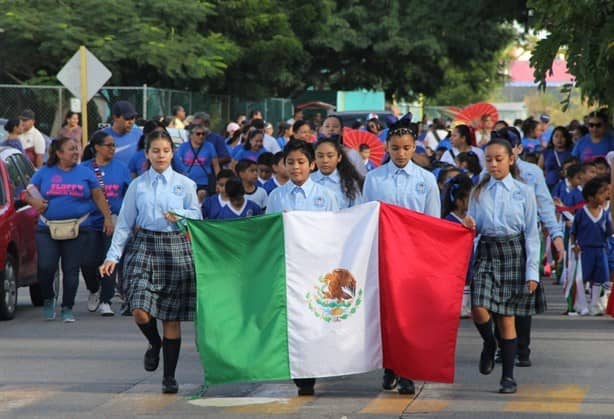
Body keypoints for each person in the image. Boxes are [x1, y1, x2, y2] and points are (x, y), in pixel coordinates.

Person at [99, 130, 201, 394]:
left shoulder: (184, 184)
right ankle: (153, 343)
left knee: (170, 317)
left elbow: (197, 217)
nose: (161, 155)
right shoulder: (138, 185)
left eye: (165, 150)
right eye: (155, 150)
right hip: (144, 245)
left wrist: (179, 215)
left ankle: (169, 377)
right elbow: (124, 224)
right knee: (139, 308)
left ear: (172, 152)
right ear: (147, 154)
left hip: (176, 247)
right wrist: (112, 257)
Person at [362, 115, 440, 395]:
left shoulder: (427, 180)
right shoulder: (373, 178)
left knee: (410, 315)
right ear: (387, 147)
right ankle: (390, 366)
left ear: (414, 146)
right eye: (395, 148)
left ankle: (408, 370)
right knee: (387, 314)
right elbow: (366, 216)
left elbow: (433, 221)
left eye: (406, 148)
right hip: (384, 253)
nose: (401, 153)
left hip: (415, 256)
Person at [463, 138, 539, 394]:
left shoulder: (523, 191)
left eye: (499, 159)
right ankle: (488, 343)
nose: (493, 164)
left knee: (507, 317)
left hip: (513, 253)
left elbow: (531, 233)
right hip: (486, 250)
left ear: (511, 159)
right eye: (489, 159)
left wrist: (532, 272)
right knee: (478, 306)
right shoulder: (478, 191)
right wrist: (469, 225)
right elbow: (472, 228)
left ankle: (508, 377)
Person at [266, 140, 338, 396]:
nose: (295, 167)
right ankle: (301, 372)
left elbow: (336, 232)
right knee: (294, 319)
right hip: (288, 267)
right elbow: (269, 231)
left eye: (301, 162)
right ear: (283, 165)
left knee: (314, 319)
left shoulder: (327, 196)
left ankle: (312, 368)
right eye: (290, 162)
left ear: (312, 165)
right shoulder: (276, 196)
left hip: (317, 269)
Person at [26, 137, 113, 322]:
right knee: (46, 267)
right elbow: (27, 192)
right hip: (47, 228)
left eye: (77, 149)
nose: (75, 152)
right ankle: (49, 298)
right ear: (58, 153)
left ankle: (67, 307)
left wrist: (107, 218)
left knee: (71, 269)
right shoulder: (45, 172)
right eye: (71, 149)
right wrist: (34, 202)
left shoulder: (86, 173)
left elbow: (98, 196)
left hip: (78, 228)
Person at [80, 131, 131, 316]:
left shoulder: (121, 168)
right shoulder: (84, 168)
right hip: (89, 221)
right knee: (87, 261)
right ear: (96, 148)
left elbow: (129, 194)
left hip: (114, 221)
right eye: (108, 145)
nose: (112, 149)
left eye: (113, 145)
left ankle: (106, 300)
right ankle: (94, 289)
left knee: (109, 259)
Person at [570, 176, 612, 316]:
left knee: (601, 278)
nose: (604, 196)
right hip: (585, 250)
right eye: (601, 193)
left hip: (601, 251)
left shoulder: (605, 214)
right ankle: (581, 304)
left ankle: (596, 304)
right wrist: (573, 245)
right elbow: (573, 232)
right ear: (591, 197)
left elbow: (609, 232)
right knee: (583, 278)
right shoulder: (581, 213)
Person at [441, 174, 474, 317]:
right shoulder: (449, 221)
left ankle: (465, 305)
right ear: (460, 201)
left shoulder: (470, 217)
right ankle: (461, 306)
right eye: (469, 198)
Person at [312, 136, 364, 209]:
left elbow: (358, 211)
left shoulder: (349, 183)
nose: (325, 160)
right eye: (320, 156)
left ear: (339, 158)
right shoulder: (307, 181)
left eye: (330, 156)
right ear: (314, 158)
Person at [174, 124, 220, 203]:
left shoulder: (209, 146)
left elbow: (216, 166)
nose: (201, 136)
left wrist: (219, 181)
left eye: (203, 134)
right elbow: (179, 165)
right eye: (198, 134)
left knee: (201, 194)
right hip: (187, 180)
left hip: (204, 181)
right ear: (191, 135)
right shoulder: (183, 147)